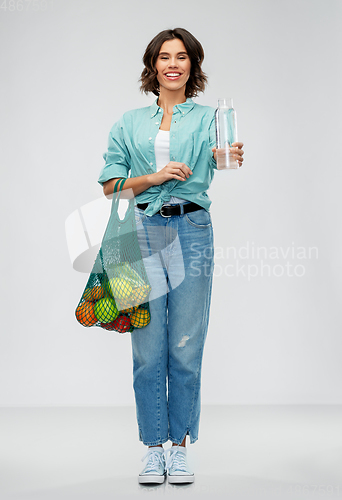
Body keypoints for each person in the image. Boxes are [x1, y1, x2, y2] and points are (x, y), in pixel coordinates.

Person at [98, 27, 244, 485]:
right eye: (165, 56)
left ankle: (178, 447)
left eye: (182, 56)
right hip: (136, 232)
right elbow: (109, 186)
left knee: (184, 345)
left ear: (192, 66)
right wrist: (155, 177)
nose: (173, 64)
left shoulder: (208, 118)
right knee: (146, 350)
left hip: (192, 230)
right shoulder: (128, 123)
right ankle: (152, 448)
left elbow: (222, 157)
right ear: (153, 66)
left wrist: (230, 154)